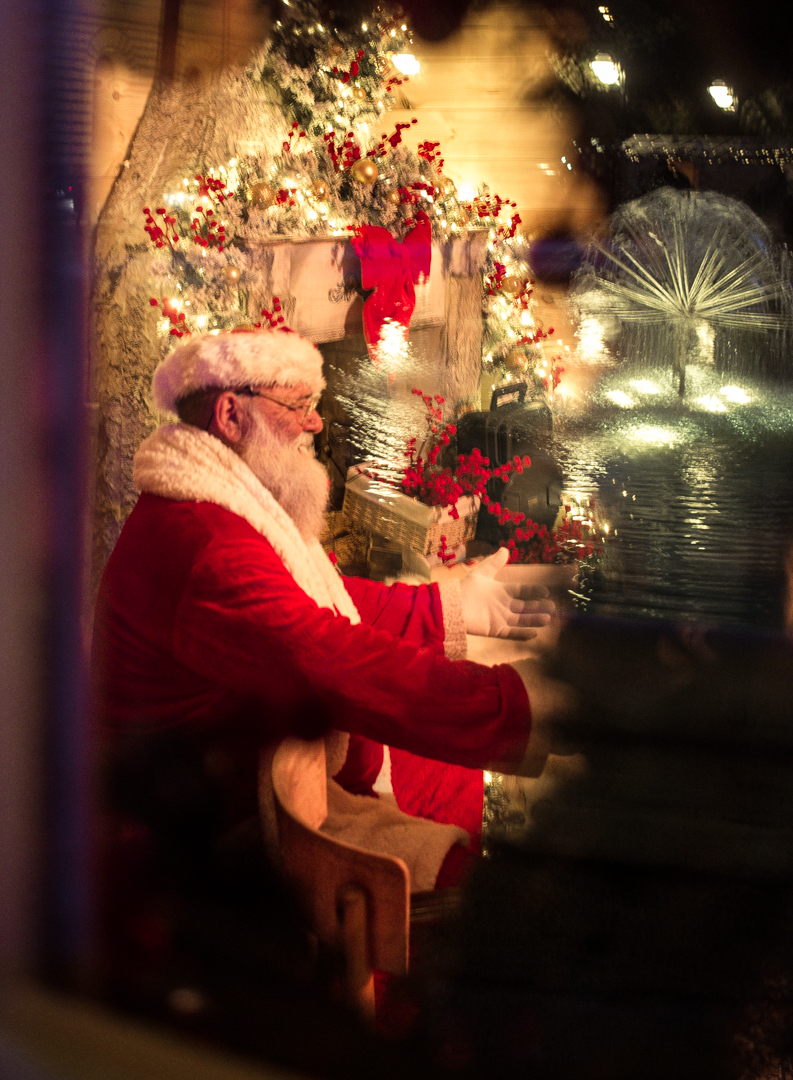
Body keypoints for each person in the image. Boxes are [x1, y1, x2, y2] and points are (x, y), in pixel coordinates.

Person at [93, 328, 573, 933]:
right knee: (475, 897)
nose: (316, 424)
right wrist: (523, 706)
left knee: (443, 774)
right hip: (208, 835)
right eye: (297, 407)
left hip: (251, 778)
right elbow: (331, 658)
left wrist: (442, 607)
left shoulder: (214, 504)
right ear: (230, 414)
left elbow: (309, 604)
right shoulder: (207, 545)